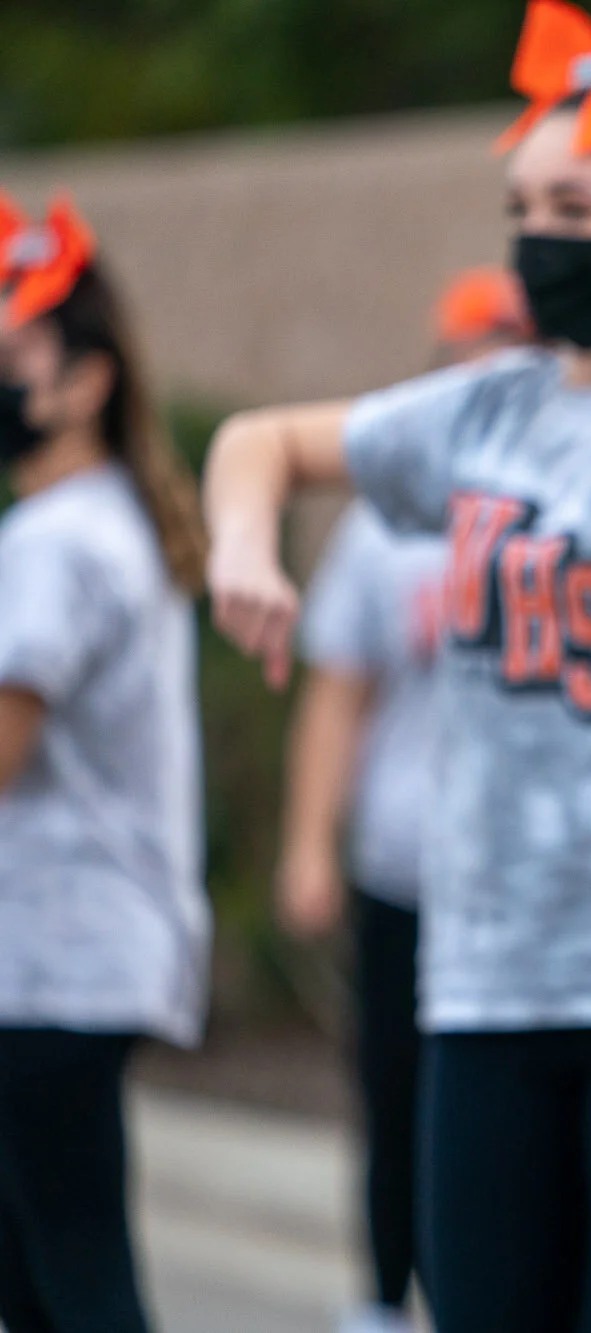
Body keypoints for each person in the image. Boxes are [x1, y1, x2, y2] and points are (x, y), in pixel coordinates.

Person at [200, 5, 591, 1327]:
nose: (540, 237)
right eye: (522, 208)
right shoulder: (485, 409)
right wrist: (244, 549)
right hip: (488, 979)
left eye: (573, 208)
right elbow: (259, 440)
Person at [275, 269, 532, 1333]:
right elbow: (337, 693)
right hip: (405, 865)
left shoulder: (564, 513)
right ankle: (383, 1299)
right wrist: (307, 844)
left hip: (524, 888)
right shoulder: (386, 528)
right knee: (393, 1096)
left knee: (509, 1115)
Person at [0, 190, 209, 1333]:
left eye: (12, 358)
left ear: (87, 382)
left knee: (75, 1283)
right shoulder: (100, 521)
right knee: (44, 1279)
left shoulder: (59, 540)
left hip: (53, 962)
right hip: (75, 957)